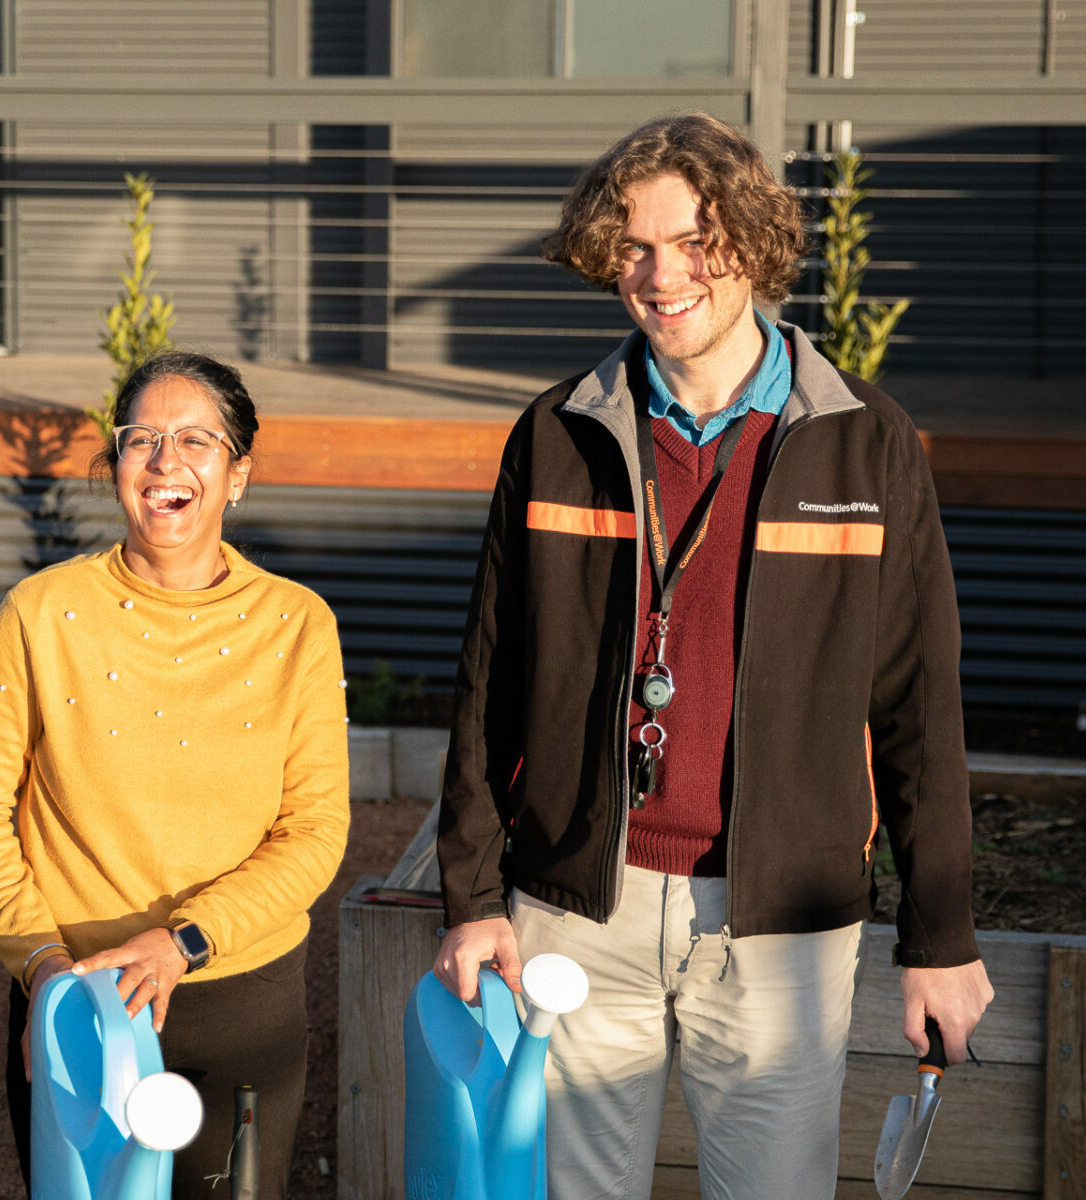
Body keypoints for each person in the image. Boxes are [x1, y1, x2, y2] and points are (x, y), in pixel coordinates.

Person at [432, 114, 994, 1198]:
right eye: (636, 248)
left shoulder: (867, 440)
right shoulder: (556, 433)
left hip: (780, 925)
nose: (664, 276)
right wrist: (472, 896)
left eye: (698, 242)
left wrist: (942, 935)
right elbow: (489, 680)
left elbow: (919, 707)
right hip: (575, 908)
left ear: (754, 241)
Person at [0, 349, 349, 1199]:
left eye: (196, 440)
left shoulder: (298, 624)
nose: (166, 461)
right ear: (115, 464)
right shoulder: (40, 614)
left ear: (238, 473)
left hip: (239, 1005)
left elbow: (316, 830)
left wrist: (185, 942)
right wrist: (42, 966)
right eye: (142, 439)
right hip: (76, 995)